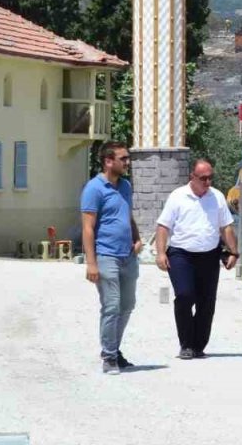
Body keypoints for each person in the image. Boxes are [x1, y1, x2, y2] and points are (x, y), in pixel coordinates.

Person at [154, 159, 239, 360]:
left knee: (206, 302)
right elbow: (163, 227)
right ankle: (186, 343)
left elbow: (226, 226)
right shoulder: (177, 197)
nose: (208, 182)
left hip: (209, 256)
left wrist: (234, 252)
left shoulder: (217, 197)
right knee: (184, 296)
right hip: (181, 254)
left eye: (210, 177)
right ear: (192, 177)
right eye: (203, 178)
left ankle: (198, 345)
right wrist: (160, 253)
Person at [80, 142, 142, 375]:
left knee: (127, 305)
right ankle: (108, 356)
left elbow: (127, 215)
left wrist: (136, 238)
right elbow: (87, 228)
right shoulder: (94, 189)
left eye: (127, 158)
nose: (127, 162)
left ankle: (114, 350)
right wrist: (91, 262)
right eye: (123, 158)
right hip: (106, 255)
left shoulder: (125, 186)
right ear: (108, 161)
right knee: (111, 306)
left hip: (128, 255)